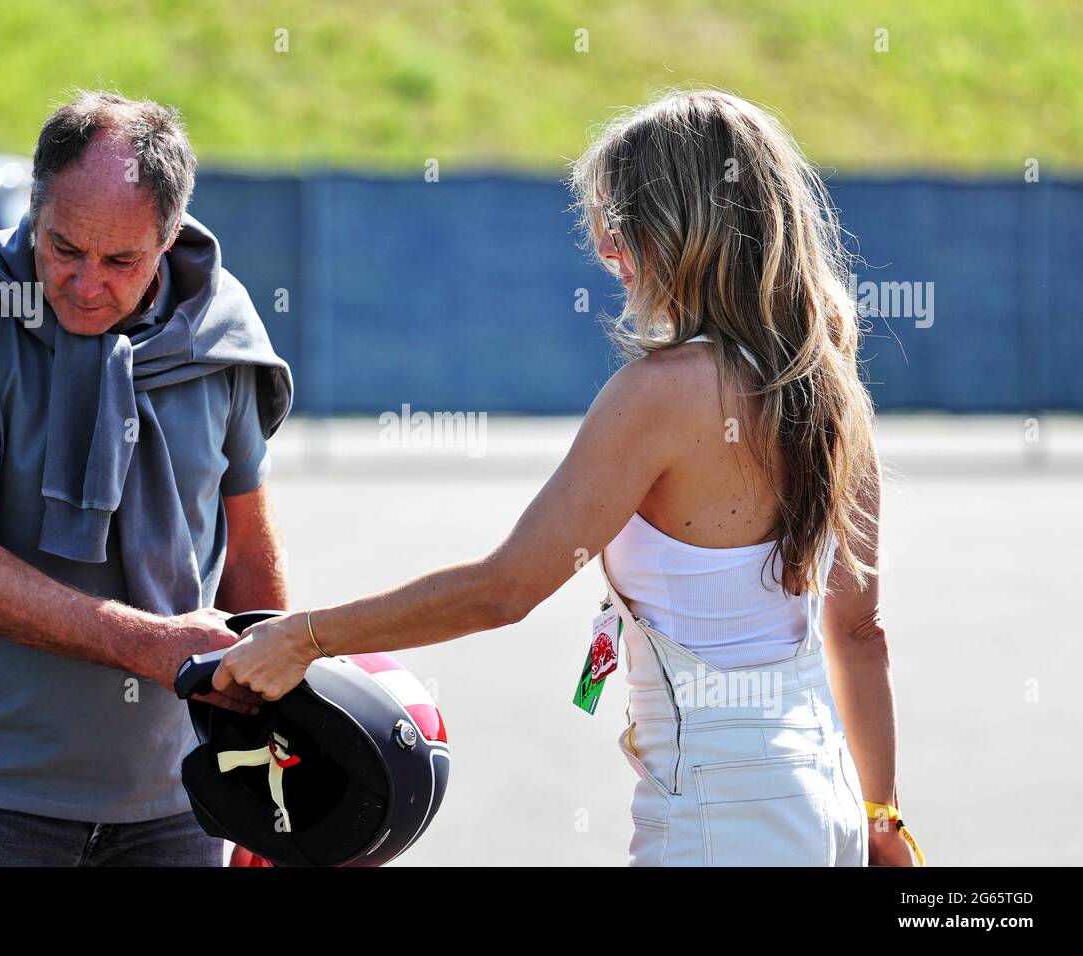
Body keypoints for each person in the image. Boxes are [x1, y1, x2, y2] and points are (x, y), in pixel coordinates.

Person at [212, 88, 919, 866]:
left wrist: (304, 638)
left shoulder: (663, 392)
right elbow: (858, 632)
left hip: (724, 821)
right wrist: (882, 817)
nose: (610, 251)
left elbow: (503, 589)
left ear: (684, 230)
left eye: (623, 226)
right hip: (829, 802)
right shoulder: (830, 384)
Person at [0, 91, 290, 866]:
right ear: (34, 211)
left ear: (170, 238)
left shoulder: (222, 331)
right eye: (64, 249)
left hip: (184, 801)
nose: (85, 284)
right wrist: (152, 647)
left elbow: (247, 562)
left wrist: (272, 764)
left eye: (120, 261)